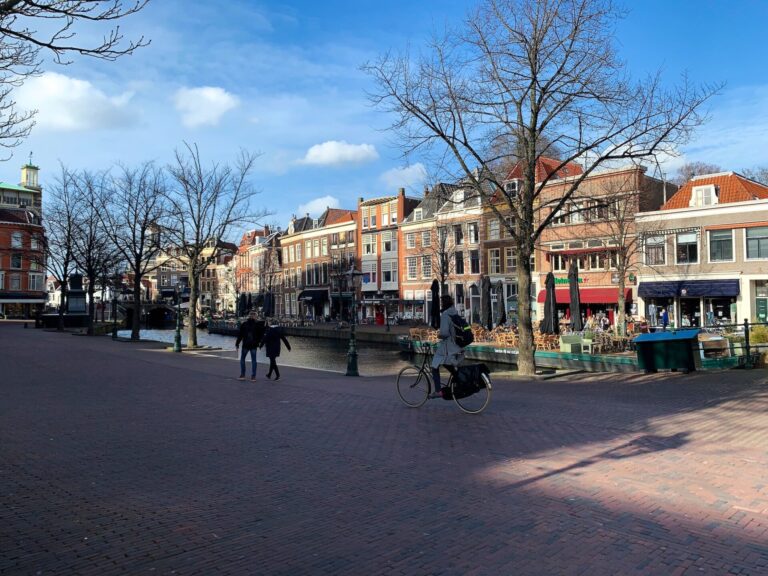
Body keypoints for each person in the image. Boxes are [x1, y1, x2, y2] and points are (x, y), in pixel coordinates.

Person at [430, 294, 464, 399]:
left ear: (443, 303)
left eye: (441, 303)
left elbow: (444, 333)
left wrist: (438, 335)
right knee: (447, 363)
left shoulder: (445, 314)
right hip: (457, 344)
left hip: (448, 346)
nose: (440, 304)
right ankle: (460, 379)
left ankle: (438, 391)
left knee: (434, 366)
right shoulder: (454, 312)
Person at [235, 311, 266, 381]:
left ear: (249, 316)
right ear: (255, 316)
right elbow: (261, 335)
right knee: (254, 361)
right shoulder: (258, 325)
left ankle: (242, 375)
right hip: (254, 345)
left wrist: (237, 344)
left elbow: (240, 335)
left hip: (245, 344)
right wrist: (260, 343)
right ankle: (253, 376)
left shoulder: (244, 324)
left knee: (242, 359)